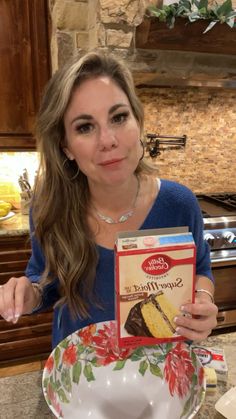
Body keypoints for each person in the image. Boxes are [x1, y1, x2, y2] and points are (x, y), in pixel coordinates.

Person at [0, 51, 217, 349]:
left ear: (137, 122)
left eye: (118, 117)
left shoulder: (179, 203)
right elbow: (44, 283)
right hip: (81, 373)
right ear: (66, 147)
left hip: (160, 370)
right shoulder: (50, 207)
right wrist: (28, 293)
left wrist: (203, 301)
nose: (108, 140)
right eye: (85, 127)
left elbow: (200, 271)